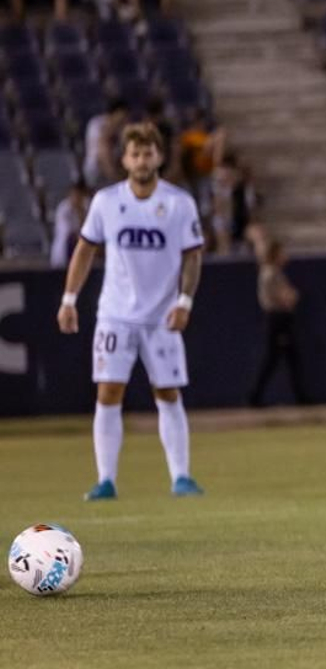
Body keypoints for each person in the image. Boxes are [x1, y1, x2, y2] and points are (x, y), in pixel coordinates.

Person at [57, 123, 205, 501]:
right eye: (135, 153)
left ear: (160, 156)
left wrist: (184, 302)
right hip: (116, 314)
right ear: (124, 159)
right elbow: (85, 249)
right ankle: (106, 479)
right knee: (108, 392)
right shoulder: (107, 202)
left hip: (161, 316)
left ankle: (181, 477)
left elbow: (193, 255)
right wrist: (69, 299)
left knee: (168, 392)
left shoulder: (178, 203)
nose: (142, 160)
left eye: (148, 152)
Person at [248, 237, 309, 407]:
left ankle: (301, 397)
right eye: (282, 252)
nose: (285, 255)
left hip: (281, 319)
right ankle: (254, 396)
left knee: (288, 360)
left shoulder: (275, 272)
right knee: (272, 360)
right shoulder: (270, 273)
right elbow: (286, 298)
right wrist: (291, 296)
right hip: (277, 320)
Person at [82, 99, 128, 188]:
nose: (124, 120)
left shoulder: (121, 128)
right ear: (113, 113)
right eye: (122, 117)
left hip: (111, 173)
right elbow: (103, 150)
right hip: (95, 172)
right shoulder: (96, 123)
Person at [50, 181, 91, 268]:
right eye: (75, 195)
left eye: (80, 196)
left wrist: (81, 214)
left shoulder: (86, 208)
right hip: (64, 252)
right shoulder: (63, 209)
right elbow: (67, 231)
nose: (77, 198)